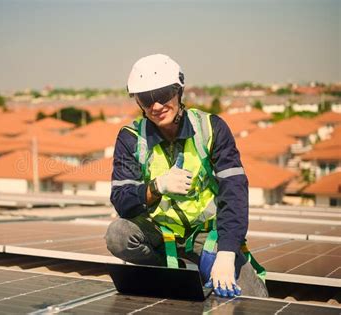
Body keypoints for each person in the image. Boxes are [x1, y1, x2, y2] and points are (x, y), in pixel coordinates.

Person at [106, 54, 268, 298]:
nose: (156, 106)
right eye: (146, 99)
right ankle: (173, 273)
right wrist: (157, 186)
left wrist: (227, 252)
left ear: (178, 91)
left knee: (256, 300)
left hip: (206, 235)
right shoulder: (131, 138)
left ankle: (205, 262)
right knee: (118, 235)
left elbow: (234, 192)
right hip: (159, 234)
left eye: (162, 95)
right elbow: (121, 199)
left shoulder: (211, 128)